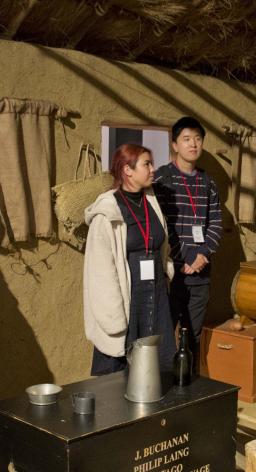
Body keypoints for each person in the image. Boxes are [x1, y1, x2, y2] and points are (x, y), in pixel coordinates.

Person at [83, 143, 176, 375]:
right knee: (121, 374)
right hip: (128, 298)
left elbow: (163, 245)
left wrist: (167, 271)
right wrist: (113, 317)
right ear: (127, 170)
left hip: (156, 294)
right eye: (147, 164)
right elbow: (100, 271)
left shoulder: (151, 201)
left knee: (156, 367)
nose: (153, 169)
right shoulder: (107, 212)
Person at [153, 116, 222, 370]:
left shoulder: (208, 182)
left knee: (193, 336)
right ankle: (162, 385)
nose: (193, 144)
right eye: (186, 139)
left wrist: (203, 255)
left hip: (200, 272)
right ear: (174, 145)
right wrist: (180, 259)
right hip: (171, 272)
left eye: (197, 139)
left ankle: (189, 384)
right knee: (163, 335)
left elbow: (215, 223)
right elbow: (160, 225)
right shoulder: (162, 179)